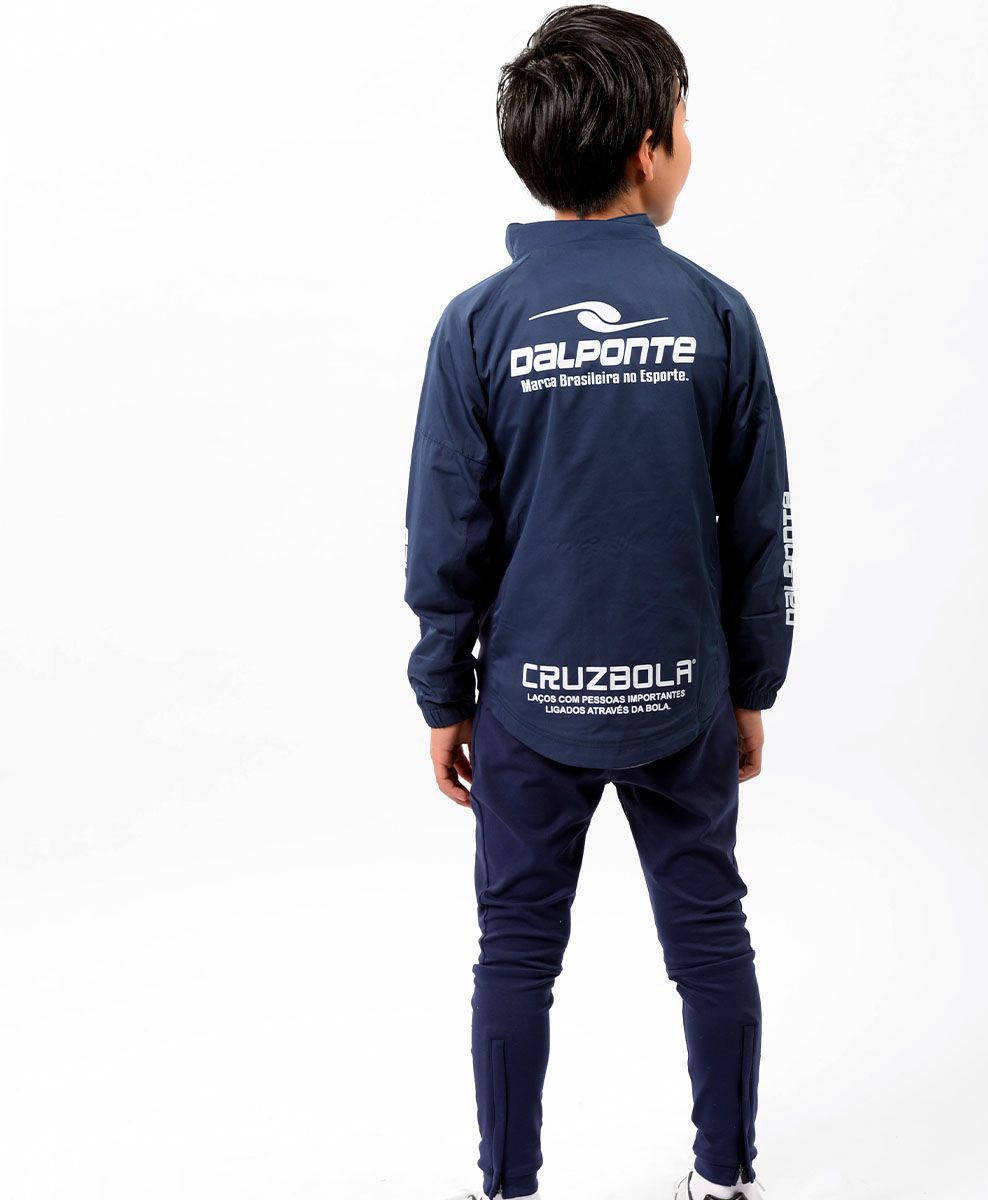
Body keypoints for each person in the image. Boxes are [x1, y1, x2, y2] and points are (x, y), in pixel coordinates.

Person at [403, 6, 794, 1198]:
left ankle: (507, 1186)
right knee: (709, 936)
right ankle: (724, 1181)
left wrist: (444, 696)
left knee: (516, 954)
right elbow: (760, 526)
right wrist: (750, 685)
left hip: (528, 705)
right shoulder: (716, 314)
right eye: (685, 121)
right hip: (683, 695)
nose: (689, 145)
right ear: (646, 146)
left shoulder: (478, 325)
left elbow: (445, 533)